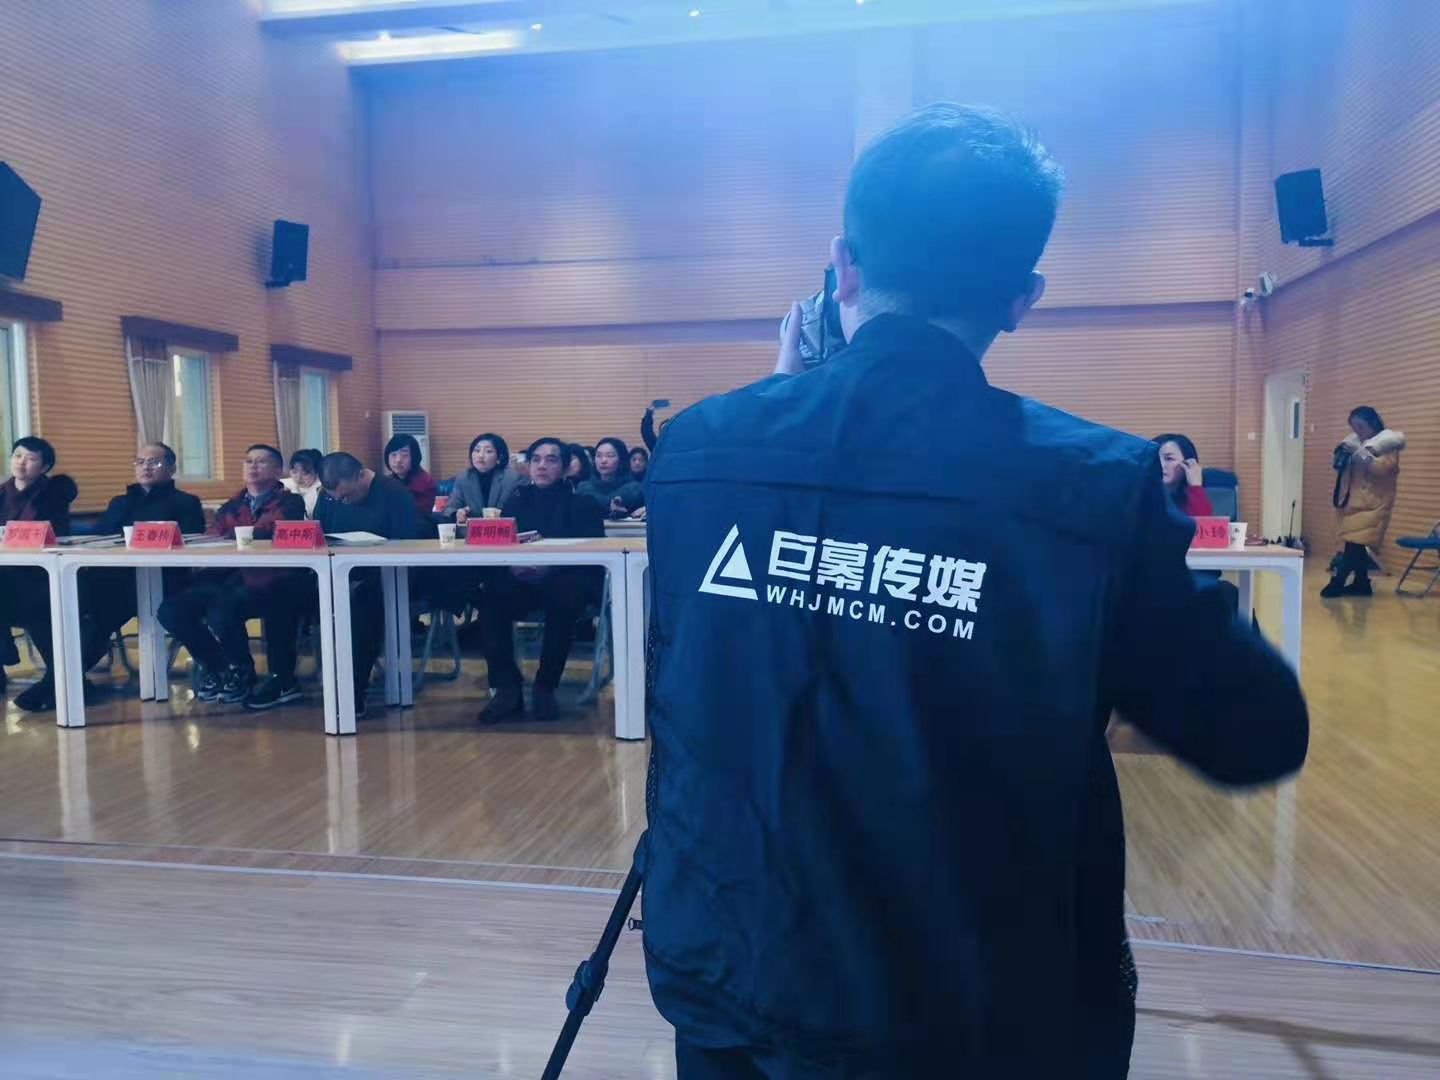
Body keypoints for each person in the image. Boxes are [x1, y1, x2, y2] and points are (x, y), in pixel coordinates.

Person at [641, 104, 1309, 1078]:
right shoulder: (1090, 485)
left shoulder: (700, 446)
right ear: (1022, 297)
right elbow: (1257, 731)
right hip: (973, 1006)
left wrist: (782, 409)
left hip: (731, 976)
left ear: (844, 267)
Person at [156, 445, 307, 706]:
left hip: (271, 578)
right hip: (227, 576)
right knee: (171, 609)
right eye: (248, 461)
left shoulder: (290, 502)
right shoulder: (231, 506)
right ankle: (219, 667)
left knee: (223, 604)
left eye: (261, 462)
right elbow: (213, 538)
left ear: (277, 471)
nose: (253, 466)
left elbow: (268, 532)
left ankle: (248, 671)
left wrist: (234, 536)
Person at [476, 438, 604, 724]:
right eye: (536, 459)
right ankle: (507, 689)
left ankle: (545, 686)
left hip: (563, 580)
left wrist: (552, 566)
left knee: (566, 597)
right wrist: (513, 566)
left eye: (551, 459)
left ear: (566, 467)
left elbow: (595, 556)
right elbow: (503, 544)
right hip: (521, 579)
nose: (542, 466)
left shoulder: (583, 504)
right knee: (490, 598)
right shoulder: (515, 501)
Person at [77, 443, 206, 689]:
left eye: (154, 462)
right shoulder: (120, 502)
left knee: (102, 615)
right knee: (85, 612)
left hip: (166, 581)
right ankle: (64, 681)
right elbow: (101, 538)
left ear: (172, 469)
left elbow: (192, 543)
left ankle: (58, 683)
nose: (146, 467)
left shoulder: (186, 502)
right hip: (117, 580)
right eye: (140, 462)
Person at [312, 452, 419, 717]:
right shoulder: (328, 497)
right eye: (337, 498)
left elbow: (407, 547)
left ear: (361, 475)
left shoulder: (394, 495)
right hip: (338, 574)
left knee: (362, 604)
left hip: (387, 577)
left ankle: (353, 688)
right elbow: (319, 536)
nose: (343, 502)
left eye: (347, 496)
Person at [0, 437, 79, 710]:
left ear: (45, 467)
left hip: (40, 575)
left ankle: (5, 654)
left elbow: (54, 533)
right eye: (17, 455)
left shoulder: (53, 493)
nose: (21, 462)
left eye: (31, 458)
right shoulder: (2, 492)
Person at [1322, 405, 1405, 598]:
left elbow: (1384, 469)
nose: (1357, 432)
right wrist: (1341, 455)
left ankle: (1337, 582)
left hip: (1375, 503)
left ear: (1373, 423)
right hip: (1355, 501)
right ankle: (1361, 584)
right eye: (1354, 427)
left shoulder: (1387, 443)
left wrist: (1360, 453)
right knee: (1354, 543)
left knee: (1354, 544)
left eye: (1360, 427)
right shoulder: (1355, 442)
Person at [446, 433, 523, 523]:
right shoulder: (464, 478)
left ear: (499, 457)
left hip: (504, 529)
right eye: (477, 450)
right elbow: (450, 508)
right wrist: (457, 514)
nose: (480, 455)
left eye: (488, 451)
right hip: (473, 530)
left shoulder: (512, 478)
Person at [576, 436, 645, 519]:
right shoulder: (584, 489)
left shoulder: (635, 490)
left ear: (621, 459)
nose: (603, 460)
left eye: (610, 456)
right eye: (599, 456)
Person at [1154, 433, 1213, 517]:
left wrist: (1195, 486)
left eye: (1169, 459)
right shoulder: (1140, 494)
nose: (1160, 465)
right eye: (1155, 458)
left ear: (1188, 463)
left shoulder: (1194, 497)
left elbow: (1202, 523)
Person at [382, 433, 438, 519]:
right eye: (393, 455)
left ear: (414, 457)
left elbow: (420, 515)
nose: (398, 460)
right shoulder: (386, 483)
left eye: (404, 455)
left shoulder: (425, 482)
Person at [283, 448, 325, 517]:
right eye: (294, 472)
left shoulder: (322, 491)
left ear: (317, 473)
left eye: (305, 473)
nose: (298, 478)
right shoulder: (284, 486)